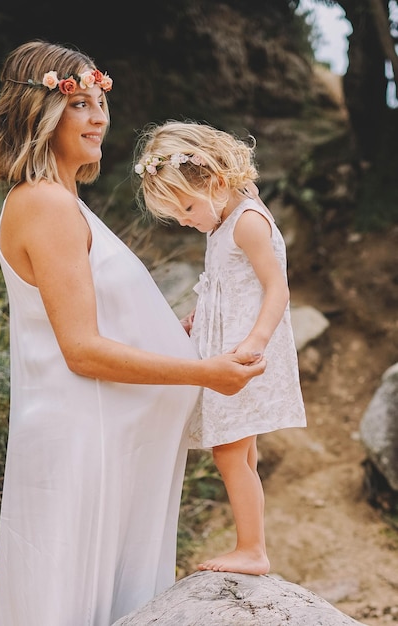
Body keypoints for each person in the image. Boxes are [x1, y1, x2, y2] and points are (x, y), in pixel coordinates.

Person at [0, 41, 266, 626]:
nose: (99, 117)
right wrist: (203, 372)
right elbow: (81, 350)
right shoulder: (45, 205)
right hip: (83, 449)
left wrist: (177, 332)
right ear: (39, 114)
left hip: (103, 446)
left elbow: (94, 320)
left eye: (100, 102)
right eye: (79, 103)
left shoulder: (62, 202)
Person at [133, 119, 307, 576]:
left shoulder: (247, 222)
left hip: (242, 357)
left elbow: (277, 290)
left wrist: (254, 341)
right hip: (228, 351)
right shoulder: (222, 223)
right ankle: (252, 544)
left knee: (230, 452)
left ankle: (252, 549)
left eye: (187, 207)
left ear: (213, 180)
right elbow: (226, 287)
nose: (187, 220)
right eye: (179, 216)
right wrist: (199, 319)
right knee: (240, 452)